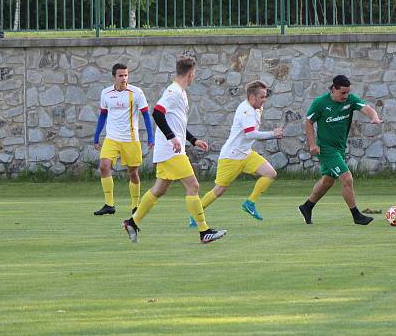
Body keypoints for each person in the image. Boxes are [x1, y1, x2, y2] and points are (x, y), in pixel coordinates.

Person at [122, 56, 226, 244]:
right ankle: (204, 231)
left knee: (160, 189)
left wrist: (193, 140)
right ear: (191, 73)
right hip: (171, 151)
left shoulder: (180, 92)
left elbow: (175, 122)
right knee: (193, 186)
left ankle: (132, 221)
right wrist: (172, 137)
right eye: (194, 74)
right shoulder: (174, 91)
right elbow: (157, 113)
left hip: (168, 150)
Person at [190, 80, 282, 227]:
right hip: (231, 157)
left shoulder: (257, 109)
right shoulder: (245, 110)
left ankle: (250, 203)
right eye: (262, 97)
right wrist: (273, 133)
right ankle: (196, 215)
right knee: (219, 190)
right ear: (252, 97)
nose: (264, 100)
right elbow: (250, 134)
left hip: (246, 154)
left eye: (265, 96)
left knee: (271, 174)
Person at [298, 75, 381, 226]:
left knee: (327, 181)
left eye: (348, 93)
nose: (346, 96)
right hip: (326, 149)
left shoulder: (350, 100)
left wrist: (374, 117)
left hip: (340, 148)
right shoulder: (320, 103)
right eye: (342, 93)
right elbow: (309, 122)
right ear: (333, 89)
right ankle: (356, 215)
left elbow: (367, 108)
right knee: (347, 178)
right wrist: (312, 145)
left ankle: (307, 207)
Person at [92, 63, 154, 217]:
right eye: (120, 75)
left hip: (130, 139)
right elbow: (103, 116)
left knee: (133, 172)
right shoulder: (106, 93)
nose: (124, 78)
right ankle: (109, 204)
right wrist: (96, 136)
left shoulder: (137, 92)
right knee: (104, 166)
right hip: (111, 138)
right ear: (114, 77)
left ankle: (135, 206)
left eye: (126, 75)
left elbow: (146, 115)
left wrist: (151, 137)